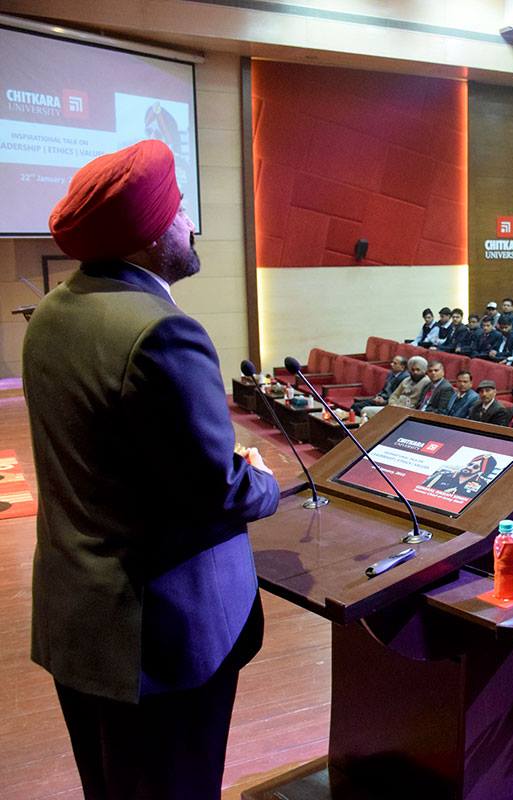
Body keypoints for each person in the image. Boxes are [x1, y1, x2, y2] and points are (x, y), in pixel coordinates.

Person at [24, 140, 280, 798]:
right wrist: (261, 481)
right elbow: (216, 491)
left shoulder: (51, 313)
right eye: (179, 209)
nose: (189, 223)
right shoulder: (162, 332)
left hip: (79, 622)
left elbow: (116, 455)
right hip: (158, 639)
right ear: (147, 236)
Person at [362, 355, 429, 419]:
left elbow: (419, 403)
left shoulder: (426, 382)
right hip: (394, 408)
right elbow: (394, 395)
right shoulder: (407, 380)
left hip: (407, 411)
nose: (415, 372)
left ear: (424, 370)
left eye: (418, 370)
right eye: (413, 370)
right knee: (365, 410)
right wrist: (393, 405)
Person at [421, 453, 498, 498]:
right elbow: (421, 489)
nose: (469, 467)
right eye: (470, 464)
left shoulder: (482, 484)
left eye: (475, 467)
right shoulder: (443, 475)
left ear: (481, 471)